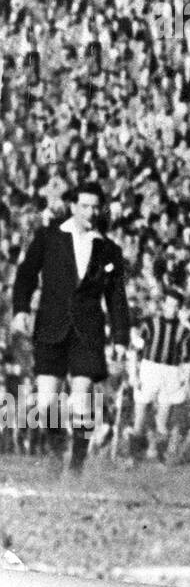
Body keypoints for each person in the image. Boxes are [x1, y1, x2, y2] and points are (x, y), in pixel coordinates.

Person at [10, 180, 130, 473]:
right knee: (47, 402)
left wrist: (120, 337)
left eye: (95, 207)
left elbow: (116, 296)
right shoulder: (49, 237)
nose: (90, 212)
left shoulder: (108, 249)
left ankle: (76, 465)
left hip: (87, 332)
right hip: (51, 327)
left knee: (80, 400)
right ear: (73, 206)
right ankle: (55, 451)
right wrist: (21, 309)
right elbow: (25, 275)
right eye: (84, 206)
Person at [126, 286, 190, 463]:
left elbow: (186, 362)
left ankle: (161, 458)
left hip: (171, 373)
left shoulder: (184, 331)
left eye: (175, 306)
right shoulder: (149, 324)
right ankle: (133, 458)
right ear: (163, 304)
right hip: (149, 370)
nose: (171, 309)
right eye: (169, 304)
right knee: (140, 417)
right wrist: (133, 374)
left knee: (162, 422)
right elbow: (134, 350)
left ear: (179, 308)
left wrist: (184, 383)